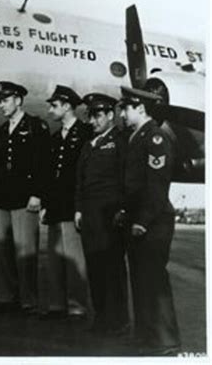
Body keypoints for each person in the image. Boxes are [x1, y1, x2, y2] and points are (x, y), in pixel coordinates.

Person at [117, 86, 181, 355]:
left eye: (126, 108)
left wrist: (142, 220)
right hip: (138, 219)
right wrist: (125, 212)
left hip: (153, 222)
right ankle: (145, 335)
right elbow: (133, 186)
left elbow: (156, 186)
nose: (122, 113)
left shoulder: (155, 138)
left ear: (140, 109)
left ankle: (167, 339)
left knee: (154, 280)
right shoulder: (137, 136)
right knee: (141, 279)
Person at [0, 81, 50, 314]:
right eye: (0, 101)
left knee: (26, 252)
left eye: (5, 101)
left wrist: (37, 194)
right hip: (4, 199)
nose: (1, 106)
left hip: (25, 199)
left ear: (18, 100)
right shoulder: (1, 131)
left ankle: (28, 301)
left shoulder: (36, 126)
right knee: (2, 250)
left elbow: (43, 163)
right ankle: (6, 298)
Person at [74, 93, 129, 333]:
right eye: (90, 116)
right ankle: (101, 317)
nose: (92, 121)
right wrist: (77, 209)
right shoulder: (89, 144)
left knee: (112, 268)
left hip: (111, 216)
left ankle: (119, 320)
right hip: (90, 216)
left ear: (110, 115)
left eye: (97, 116)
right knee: (95, 267)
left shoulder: (121, 140)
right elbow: (79, 181)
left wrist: (124, 209)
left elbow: (128, 178)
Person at [42, 85, 92, 319]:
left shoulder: (85, 134)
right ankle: (56, 305)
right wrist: (45, 204)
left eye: (54, 106)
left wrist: (82, 207)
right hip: (55, 207)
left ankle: (77, 306)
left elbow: (87, 175)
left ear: (67, 106)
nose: (50, 110)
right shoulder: (54, 137)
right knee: (55, 259)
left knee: (74, 258)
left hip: (73, 206)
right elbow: (50, 174)